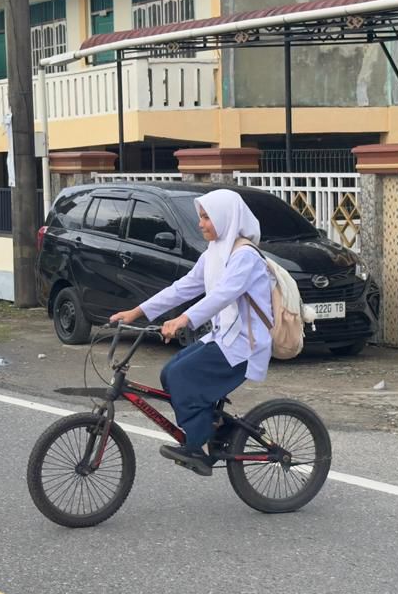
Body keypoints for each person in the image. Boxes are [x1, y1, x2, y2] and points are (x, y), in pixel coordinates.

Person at [109, 188, 274, 477]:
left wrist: (185, 319)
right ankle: (214, 426)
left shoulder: (245, 255)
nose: (201, 224)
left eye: (206, 217)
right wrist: (137, 312)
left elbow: (223, 294)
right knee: (169, 372)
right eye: (201, 217)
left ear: (225, 218)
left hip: (244, 345)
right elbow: (183, 287)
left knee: (182, 376)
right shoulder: (215, 252)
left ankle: (196, 446)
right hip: (224, 337)